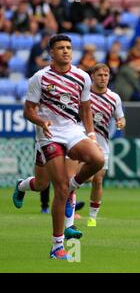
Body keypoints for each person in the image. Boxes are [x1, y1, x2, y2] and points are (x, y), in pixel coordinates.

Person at [12, 34, 104, 260]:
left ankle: (73, 186)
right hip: (48, 134)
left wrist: (90, 133)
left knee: (97, 160)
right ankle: (56, 245)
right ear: (51, 52)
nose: (65, 51)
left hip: (72, 131)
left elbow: (85, 108)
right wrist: (41, 121)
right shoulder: (39, 78)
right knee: (46, 185)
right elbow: (28, 110)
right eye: (61, 48)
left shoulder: (82, 76)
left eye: (69, 47)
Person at [85, 63, 126, 227]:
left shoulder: (114, 97)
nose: (103, 78)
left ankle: (92, 217)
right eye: (99, 75)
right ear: (92, 77)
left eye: (106, 75)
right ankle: (69, 208)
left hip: (102, 144)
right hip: (83, 141)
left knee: (98, 180)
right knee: (86, 177)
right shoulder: (85, 95)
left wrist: (121, 122)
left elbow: (120, 117)